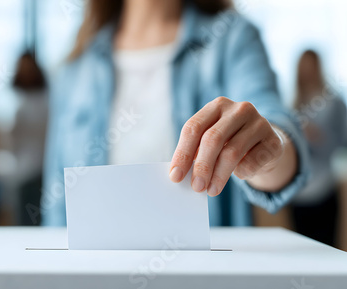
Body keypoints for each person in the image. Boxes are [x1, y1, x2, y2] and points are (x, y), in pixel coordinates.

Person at [42, 0, 310, 226]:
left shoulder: (232, 38)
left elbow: (275, 128)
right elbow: (56, 203)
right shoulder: (76, 65)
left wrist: (268, 154)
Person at [290, 50, 346, 246]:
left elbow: (342, 142)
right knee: (302, 251)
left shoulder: (334, 102)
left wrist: (318, 137)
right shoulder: (293, 103)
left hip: (324, 188)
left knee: (327, 248)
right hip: (298, 192)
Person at [10, 52, 48, 226]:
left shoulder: (47, 99)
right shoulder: (16, 100)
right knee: (25, 225)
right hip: (23, 171)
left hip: (45, 170)